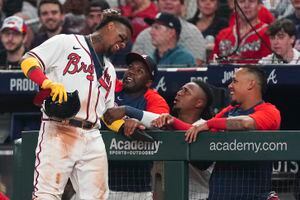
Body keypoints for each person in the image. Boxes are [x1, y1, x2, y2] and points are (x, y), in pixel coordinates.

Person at [20, 11, 133, 199]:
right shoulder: (66, 42)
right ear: (110, 26)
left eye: (125, 43)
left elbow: (107, 114)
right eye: (121, 37)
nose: (121, 45)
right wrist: (46, 82)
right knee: (46, 195)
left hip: (93, 134)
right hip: (59, 128)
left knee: (98, 197)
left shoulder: (110, 70)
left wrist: (127, 125)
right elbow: (28, 60)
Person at [153, 66, 281, 199]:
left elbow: (245, 123)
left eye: (235, 81)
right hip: (220, 194)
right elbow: (199, 131)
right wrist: (174, 122)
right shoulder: (230, 110)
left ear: (251, 84)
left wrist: (209, 123)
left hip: (250, 194)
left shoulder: (270, 111)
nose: (230, 86)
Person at [103, 52, 170, 200]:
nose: (131, 71)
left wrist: (129, 112)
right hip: (99, 183)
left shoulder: (154, 99)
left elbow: (161, 120)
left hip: (136, 188)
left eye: (140, 71)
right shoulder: (112, 88)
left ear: (148, 82)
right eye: (131, 67)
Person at [132, 0, 206, 66]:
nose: (168, 2)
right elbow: (134, 65)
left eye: (173, 0)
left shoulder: (193, 33)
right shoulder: (143, 36)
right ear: (156, 4)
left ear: (183, 6)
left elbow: (195, 67)